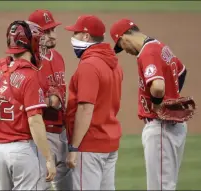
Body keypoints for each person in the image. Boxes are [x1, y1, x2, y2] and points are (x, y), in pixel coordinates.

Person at [110, 18, 189, 190]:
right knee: (166, 185)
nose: (125, 51)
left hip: (161, 128)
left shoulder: (147, 52)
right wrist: (173, 98)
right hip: (173, 126)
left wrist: (158, 104)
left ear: (124, 38)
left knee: (159, 187)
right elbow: (182, 71)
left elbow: (158, 87)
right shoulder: (160, 46)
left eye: (121, 46)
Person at [0, 20, 56, 190]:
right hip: (23, 152)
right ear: (31, 43)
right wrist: (48, 158)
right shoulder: (30, 77)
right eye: (38, 40)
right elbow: (34, 120)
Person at [64, 15, 123, 190]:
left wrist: (74, 148)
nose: (72, 38)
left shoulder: (89, 65)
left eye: (75, 33)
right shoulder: (114, 64)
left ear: (85, 36)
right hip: (109, 141)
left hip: (90, 144)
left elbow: (85, 108)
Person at [28, 9, 72, 190]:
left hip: (62, 132)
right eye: (46, 31)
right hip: (43, 133)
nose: (52, 35)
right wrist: (49, 101)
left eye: (53, 30)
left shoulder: (59, 57)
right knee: (41, 185)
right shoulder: (31, 62)